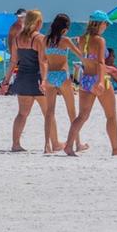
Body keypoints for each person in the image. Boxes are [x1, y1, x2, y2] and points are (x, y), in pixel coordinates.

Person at [63, 11, 117, 157]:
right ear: (100, 24)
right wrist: (100, 81)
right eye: (106, 24)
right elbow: (100, 62)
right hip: (99, 79)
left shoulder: (81, 39)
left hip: (85, 79)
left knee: (82, 116)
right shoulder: (99, 40)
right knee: (111, 115)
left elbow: (85, 59)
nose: (106, 27)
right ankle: (116, 149)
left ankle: (68, 146)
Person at [5, 10, 49, 152]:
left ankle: (15, 144)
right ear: (37, 22)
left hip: (22, 79)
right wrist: (44, 81)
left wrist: (6, 81)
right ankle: (50, 145)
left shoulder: (17, 38)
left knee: (22, 113)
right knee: (48, 114)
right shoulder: (39, 38)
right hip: (36, 78)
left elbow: (13, 61)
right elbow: (43, 62)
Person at [42, 14, 83, 153]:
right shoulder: (65, 40)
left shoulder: (45, 40)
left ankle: (47, 145)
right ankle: (77, 143)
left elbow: (43, 59)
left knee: (49, 112)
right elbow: (80, 55)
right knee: (71, 111)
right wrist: (78, 43)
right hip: (62, 75)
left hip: (50, 76)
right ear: (65, 29)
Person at [0, 8, 27, 93]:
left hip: (26, 52)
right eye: (18, 17)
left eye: (21, 17)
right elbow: (10, 40)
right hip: (17, 52)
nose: (19, 19)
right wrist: (12, 52)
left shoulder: (27, 26)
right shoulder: (14, 27)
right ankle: (6, 86)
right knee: (14, 70)